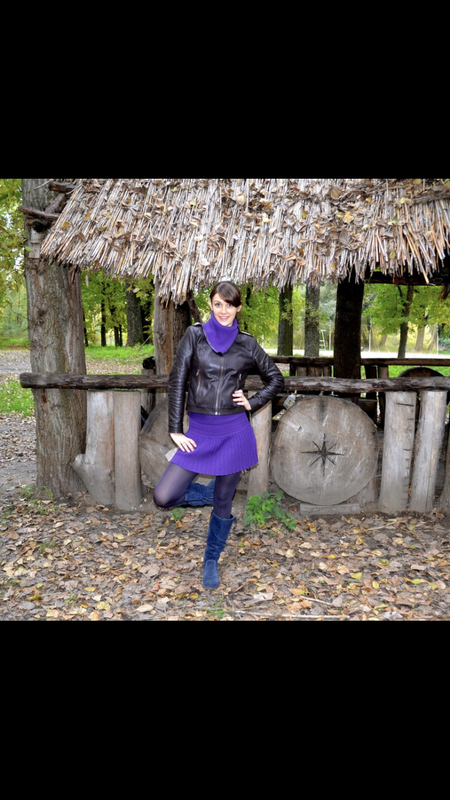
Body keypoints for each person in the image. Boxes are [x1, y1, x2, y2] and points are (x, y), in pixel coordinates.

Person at [153, 281, 285, 590]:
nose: (223, 310)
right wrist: (175, 429)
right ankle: (210, 494)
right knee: (164, 497)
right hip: (199, 432)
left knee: (224, 502)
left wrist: (252, 402)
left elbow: (276, 379)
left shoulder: (247, 344)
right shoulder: (194, 335)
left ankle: (211, 559)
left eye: (229, 305)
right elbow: (177, 381)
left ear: (238, 307)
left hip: (234, 432)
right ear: (211, 305)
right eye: (217, 304)